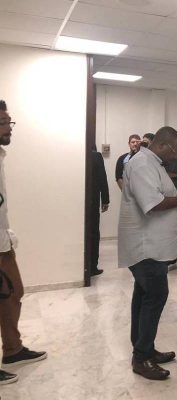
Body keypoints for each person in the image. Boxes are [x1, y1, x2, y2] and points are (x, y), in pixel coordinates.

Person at [118, 126, 177, 381]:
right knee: (156, 294)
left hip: (152, 245)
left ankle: (144, 347)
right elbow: (152, 204)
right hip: (145, 246)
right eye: (176, 150)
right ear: (163, 145)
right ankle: (141, 358)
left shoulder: (153, 163)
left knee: (143, 295)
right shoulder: (142, 164)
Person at [0, 100, 47, 385]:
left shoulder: (0, 155)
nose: (9, 127)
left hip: (2, 242)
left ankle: (13, 349)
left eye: (9, 121)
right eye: (3, 122)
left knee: (14, 292)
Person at [90, 145, 110, 276]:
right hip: (93, 200)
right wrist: (105, 200)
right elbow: (103, 178)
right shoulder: (96, 156)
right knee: (93, 233)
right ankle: (92, 266)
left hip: (80, 201)